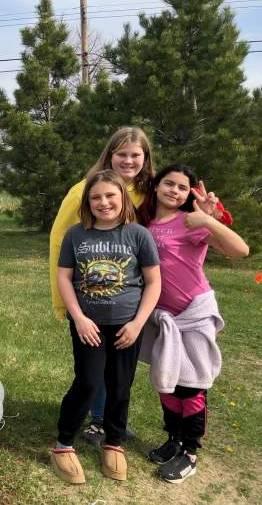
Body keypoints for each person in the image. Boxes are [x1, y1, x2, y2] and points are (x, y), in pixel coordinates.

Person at [138, 165, 248, 483]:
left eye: (182, 187)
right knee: (168, 382)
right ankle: (173, 438)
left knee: (191, 386)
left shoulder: (192, 222)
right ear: (156, 186)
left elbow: (241, 251)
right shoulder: (143, 225)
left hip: (194, 315)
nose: (174, 190)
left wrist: (208, 219)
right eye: (169, 184)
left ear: (189, 194)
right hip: (163, 319)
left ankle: (189, 451)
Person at [50, 170, 161, 484]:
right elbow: (64, 278)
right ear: (87, 202)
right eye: (96, 197)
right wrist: (79, 317)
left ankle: (113, 441)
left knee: (120, 384)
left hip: (127, 326)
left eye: (110, 195)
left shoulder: (139, 235)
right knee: (87, 381)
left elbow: (153, 282)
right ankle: (63, 444)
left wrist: (138, 324)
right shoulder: (76, 235)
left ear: (122, 198)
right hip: (89, 326)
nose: (103, 202)